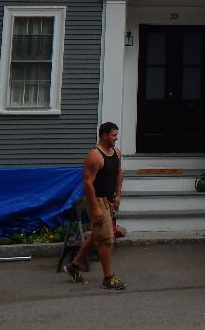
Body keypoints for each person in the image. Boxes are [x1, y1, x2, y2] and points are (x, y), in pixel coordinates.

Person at [65, 121, 125, 290]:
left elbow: (119, 174)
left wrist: (118, 195)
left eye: (116, 134)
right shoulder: (95, 156)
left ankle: (74, 266)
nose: (116, 138)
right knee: (106, 239)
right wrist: (96, 208)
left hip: (109, 200)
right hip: (96, 200)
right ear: (104, 135)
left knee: (96, 235)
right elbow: (88, 184)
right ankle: (108, 278)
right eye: (113, 135)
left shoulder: (117, 153)